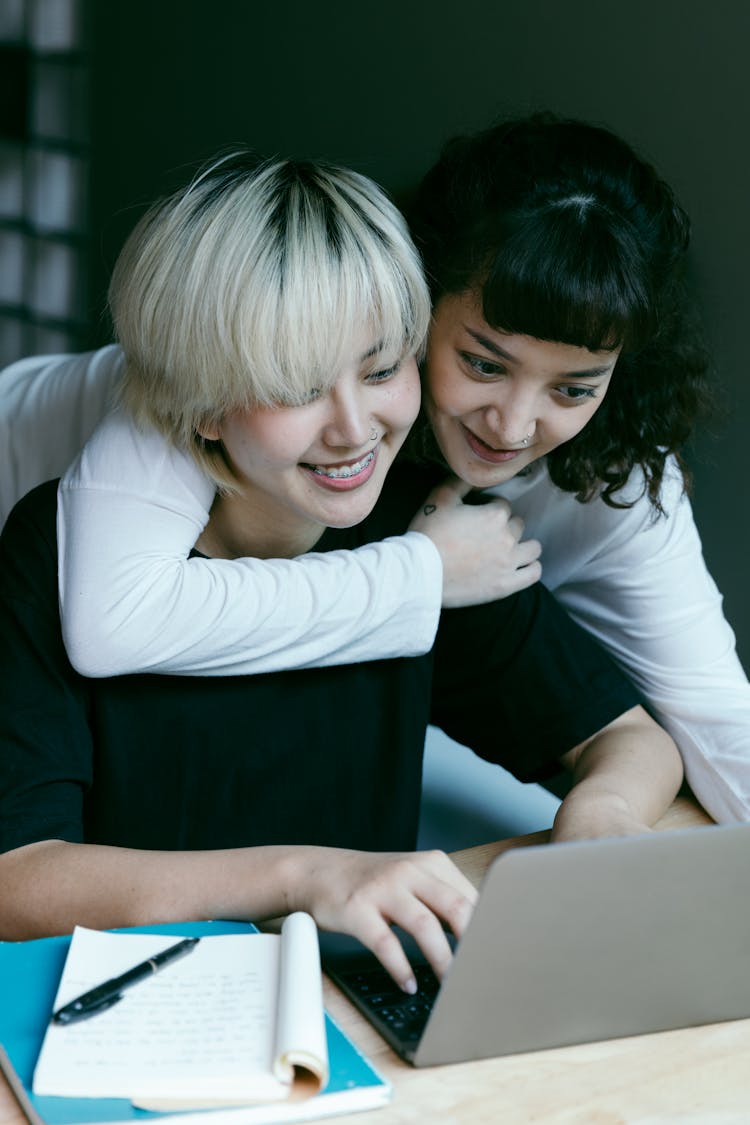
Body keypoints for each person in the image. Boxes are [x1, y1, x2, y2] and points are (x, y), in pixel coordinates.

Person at [0, 151, 682, 992]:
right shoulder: (55, 548)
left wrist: (603, 812)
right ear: (205, 401)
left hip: (358, 1005)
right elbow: (14, 879)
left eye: (382, 367)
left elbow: (627, 736)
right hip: (137, 1006)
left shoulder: (422, 529)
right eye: (296, 387)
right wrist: (304, 878)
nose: (355, 430)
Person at [47, 115, 748, 823]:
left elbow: (715, 725)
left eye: (573, 388)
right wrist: (422, 575)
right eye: (482, 363)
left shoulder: (617, 487)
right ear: (415, 294)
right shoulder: (214, 385)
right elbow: (114, 619)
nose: (511, 424)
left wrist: (609, 810)